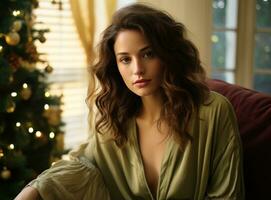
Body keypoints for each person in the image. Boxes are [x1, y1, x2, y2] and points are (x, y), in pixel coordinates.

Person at [15, 3, 245, 200]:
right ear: (115, 66)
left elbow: (227, 195)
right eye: (125, 59)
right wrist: (34, 190)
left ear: (168, 55)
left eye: (148, 54)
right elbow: (83, 165)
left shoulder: (213, 111)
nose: (137, 70)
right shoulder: (114, 120)